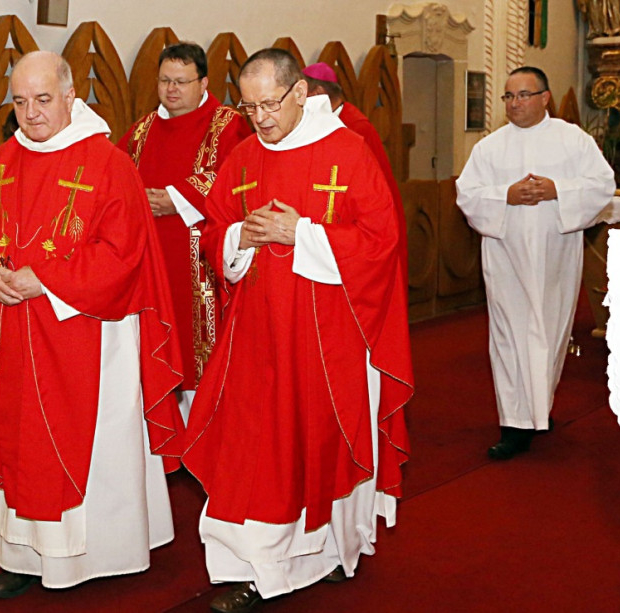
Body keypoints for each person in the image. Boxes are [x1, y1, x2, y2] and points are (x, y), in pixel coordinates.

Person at [181, 48, 413, 612]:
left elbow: (381, 242)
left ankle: (331, 550)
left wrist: (301, 234)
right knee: (255, 450)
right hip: (256, 335)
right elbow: (213, 231)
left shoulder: (347, 152)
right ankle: (257, 568)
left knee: (320, 445)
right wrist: (240, 238)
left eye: (270, 104)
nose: (260, 118)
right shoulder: (242, 157)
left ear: (301, 93)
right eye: (249, 107)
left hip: (328, 337)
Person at [0, 50, 184, 598]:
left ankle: (100, 554)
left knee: (91, 443)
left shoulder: (107, 164)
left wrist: (47, 280)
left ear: (70, 96)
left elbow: (124, 253)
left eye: (43, 99)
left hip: (87, 334)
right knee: (20, 443)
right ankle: (23, 553)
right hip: (14, 336)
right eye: (20, 102)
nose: (31, 113)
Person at [455, 66, 614, 460]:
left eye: (524, 95)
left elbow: (602, 185)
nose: (515, 104)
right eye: (509, 96)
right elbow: (467, 194)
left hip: (556, 253)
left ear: (545, 98)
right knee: (509, 335)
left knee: (550, 332)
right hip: (505, 255)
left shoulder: (572, 139)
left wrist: (557, 189)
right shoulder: (489, 147)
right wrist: (505, 196)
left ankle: (538, 408)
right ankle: (515, 424)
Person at [118, 43, 251, 423]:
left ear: (203, 82)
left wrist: (176, 199)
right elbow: (116, 176)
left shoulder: (228, 125)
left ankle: (207, 429)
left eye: (181, 81)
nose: (171, 89)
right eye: (164, 81)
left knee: (200, 354)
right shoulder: (142, 130)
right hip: (150, 259)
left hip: (199, 262)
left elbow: (237, 180)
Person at [302, 62, 407, 283]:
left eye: (303, 94)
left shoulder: (356, 128)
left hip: (354, 229)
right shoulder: (316, 126)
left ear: (318, 94)